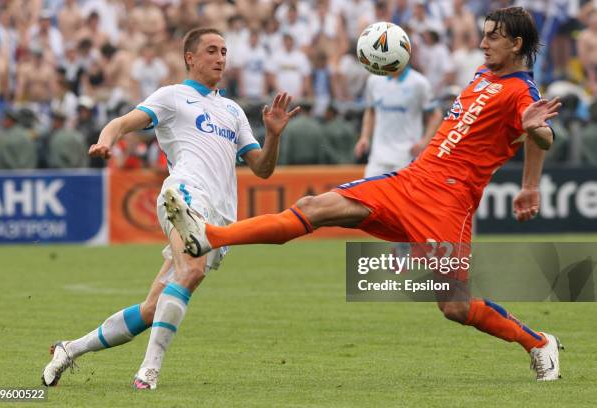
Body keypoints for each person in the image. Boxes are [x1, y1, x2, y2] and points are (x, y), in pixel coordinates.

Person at [170, 8, 565, 381]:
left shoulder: (521, 91)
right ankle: (210, 236)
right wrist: (529, 180)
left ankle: (539, 342)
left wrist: (534, 146)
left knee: (455, 307)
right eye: (483, 36)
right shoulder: (483, 73)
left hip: (447, 202)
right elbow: (528, 130)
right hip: (410, 181)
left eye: (493, 38)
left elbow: (540, 132)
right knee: (313, 207)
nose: (483, 44)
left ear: (515, 44)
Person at [41, 27, 299, 390]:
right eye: (212, 50)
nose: (221, 58)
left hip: (220, 218)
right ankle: (149, 371)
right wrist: (105, 140)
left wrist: (273, 136)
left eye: (224, 51)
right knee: (190, 271)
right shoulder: (173, 97)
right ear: (190, 58)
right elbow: (123, 122)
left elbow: (263, 168)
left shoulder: (233, 111)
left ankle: (69, 349)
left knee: (151, 308)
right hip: (184, 195)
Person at [354, 64, 442, 177]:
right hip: (378, 156)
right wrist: (364, 137)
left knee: (402, 194)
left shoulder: (419, 82)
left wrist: (424, 142)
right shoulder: (374, 80)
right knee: (368, 194)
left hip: (406, 156)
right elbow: (371, 110)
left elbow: (435, 114)